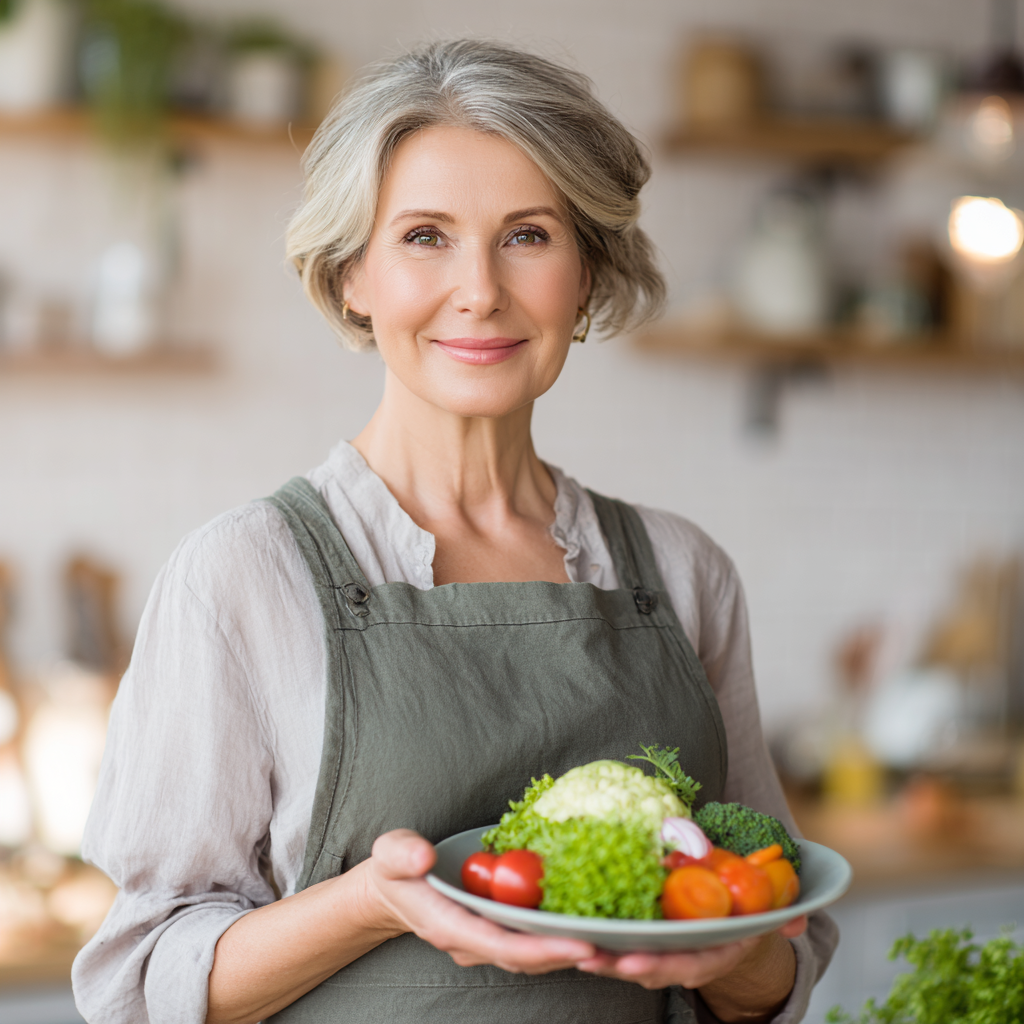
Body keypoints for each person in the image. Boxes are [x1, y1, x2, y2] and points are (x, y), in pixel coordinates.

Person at [73, 39, 837, 1024]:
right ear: (354, 276)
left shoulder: (684, 573)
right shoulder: (242, 577)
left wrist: (716, 959)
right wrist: (368, 905)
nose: (479, 289)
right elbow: (137, 984)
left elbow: (781, 951)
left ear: (588, 272)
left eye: (527, 235)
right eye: (424, 236)